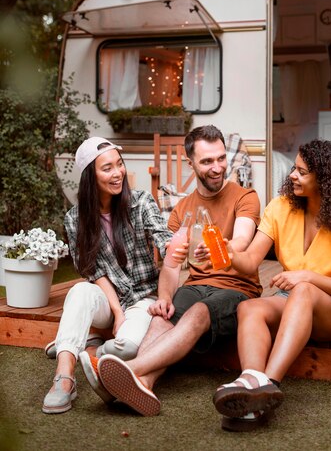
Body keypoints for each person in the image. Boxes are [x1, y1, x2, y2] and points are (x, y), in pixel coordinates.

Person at [84, 125, 262, 416]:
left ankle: (126, 371)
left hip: (237, 290)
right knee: (160, 318)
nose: (217, 167)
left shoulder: (246, 197)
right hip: (195, 285)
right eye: (207, 161)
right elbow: (171, 263)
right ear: (190, 162)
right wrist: (164, 296)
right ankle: (143, 383)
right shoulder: (182, 210)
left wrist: (222, 248)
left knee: (199, 312)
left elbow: (242, 241)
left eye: (220, 158)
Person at [212, 139, 331, 432]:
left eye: (302, 172)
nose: (292, 176)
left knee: (303, 289)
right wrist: (227, 252)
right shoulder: (280, 208)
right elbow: (250, 261)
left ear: (324, 180)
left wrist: (307, 277)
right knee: (250, 308)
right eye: (294, 168)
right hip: (294, 298)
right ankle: (251, 382)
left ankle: (269, 384)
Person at [42, 137, 173, 414]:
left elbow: (162, 237)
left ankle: (81, 346)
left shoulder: (140, 202)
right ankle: (64, 379)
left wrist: (174, 246)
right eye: (107, 168)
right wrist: (116, 311)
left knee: (126, 349)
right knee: (79, 291)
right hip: (107, 298)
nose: (118, 173)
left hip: (142, 297)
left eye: (119, 164)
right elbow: (93, 271)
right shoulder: (75, 218)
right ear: (91, 175)